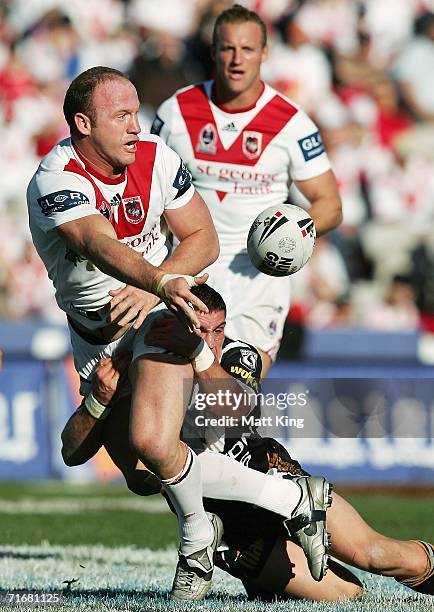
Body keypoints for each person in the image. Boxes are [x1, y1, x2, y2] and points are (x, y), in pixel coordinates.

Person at [61, 285, 434, 601]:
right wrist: (100, 399)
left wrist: (196, 352)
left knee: (375, 554)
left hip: (268, 472)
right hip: (227, 524)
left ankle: (306, 504)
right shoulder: (147, 368)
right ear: (175, 323)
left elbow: (231, 414)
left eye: (217, 330)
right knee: (346, 595)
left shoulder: (238, 354)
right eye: (198, 329)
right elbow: (74, 453)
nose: (209, 339)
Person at [26, 65, 225, 601]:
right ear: (83, 124)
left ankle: (199, 541)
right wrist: (156, 279)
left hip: (161, 313)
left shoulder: (158, 157)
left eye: (137, 112)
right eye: (122, 116)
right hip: (97, 337)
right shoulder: (54, 179)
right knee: (141, 471)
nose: (137, 126)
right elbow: (97, 242)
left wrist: (160, 288)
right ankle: (283, 496)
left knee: (152, 440)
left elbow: (204, 238)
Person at [151, 4, 343, 376]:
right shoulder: (176, 111)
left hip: (258, 283)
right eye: (227, 48)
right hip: (187, 276)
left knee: (234, 399)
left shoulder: (291, 123)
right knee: (174, 409)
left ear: (265, 53)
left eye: (248, 49)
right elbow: (146, 187)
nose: (237, 59)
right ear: (213, 52)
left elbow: (330, 206)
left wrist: (291, 232)